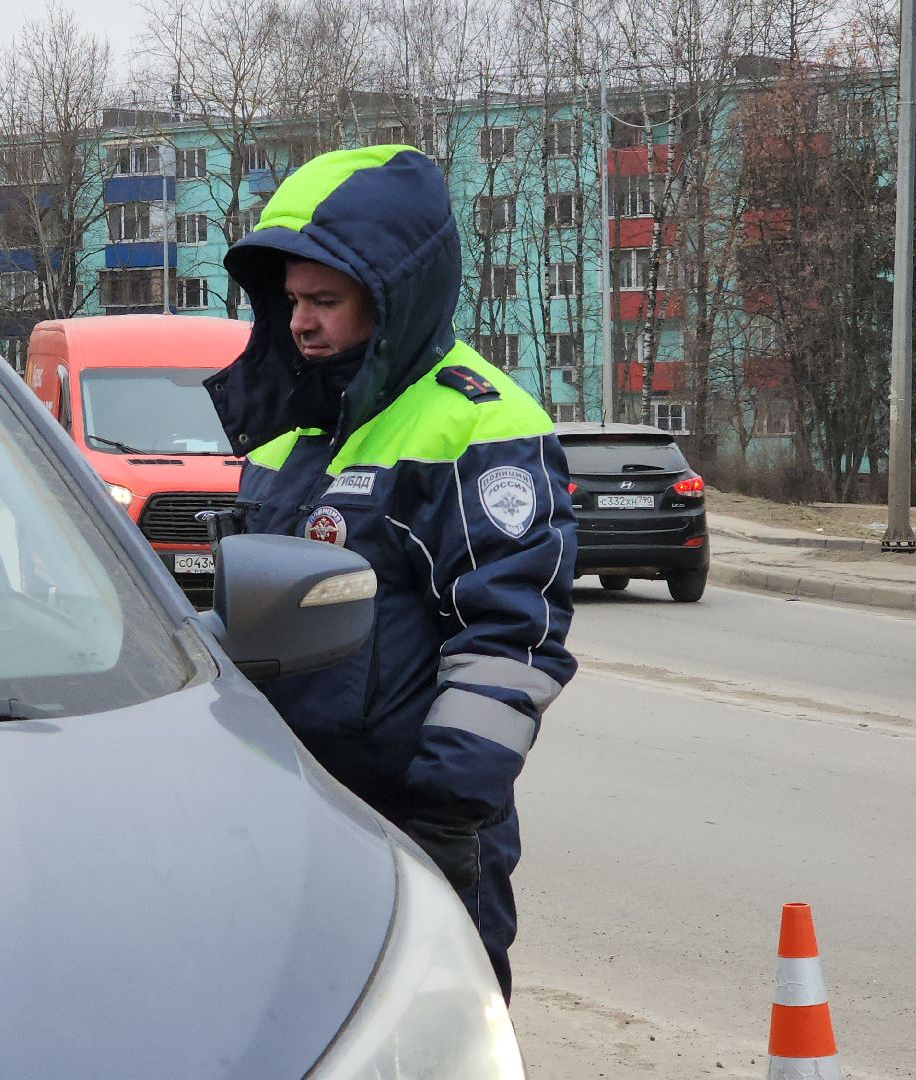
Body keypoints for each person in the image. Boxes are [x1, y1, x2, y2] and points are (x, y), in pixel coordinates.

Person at [205, 145, 577, 1000]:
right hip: (293, 807)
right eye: (291, 300)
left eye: (325, 301)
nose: (300, 323)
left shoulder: (476, 424)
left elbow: (512, 641)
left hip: (417, 814)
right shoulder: (294, 427)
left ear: (394, 295)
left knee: (435, 1028)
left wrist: (448, 810)